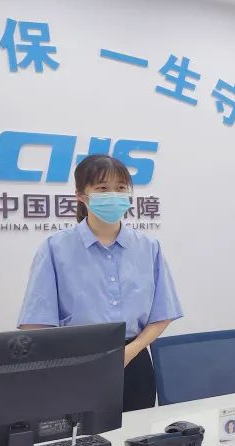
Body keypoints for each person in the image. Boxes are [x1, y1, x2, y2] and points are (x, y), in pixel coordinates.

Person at [18, 155, 183, 411]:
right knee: (81, 434)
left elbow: (163, 313)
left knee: (136, 432)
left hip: (134, 362)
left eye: (120, 187)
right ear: (81, 196)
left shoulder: (148, 247)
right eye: (102, 188)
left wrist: (131, 351)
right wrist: (69, 362)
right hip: (75, 363)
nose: (113, 195)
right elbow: (36, 322)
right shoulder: (55, 248)